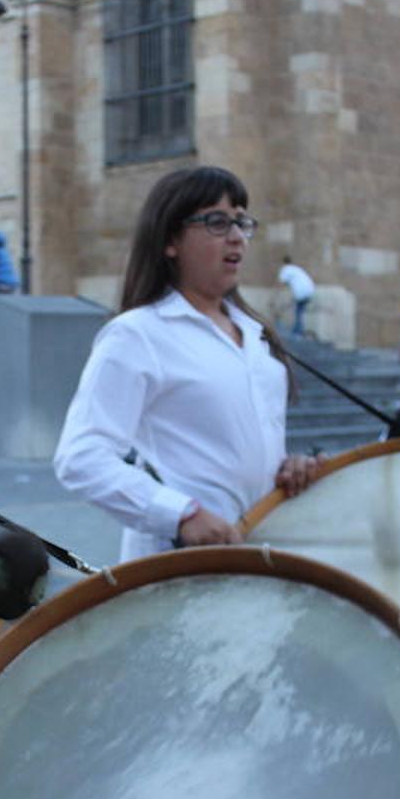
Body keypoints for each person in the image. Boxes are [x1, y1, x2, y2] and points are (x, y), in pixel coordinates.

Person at [53, 166, 319, 562]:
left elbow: (239, 446)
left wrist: (289, 468)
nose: (236, 237)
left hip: (262, 556)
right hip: (178, 565)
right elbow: (81, 457)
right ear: (170, 240)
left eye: (242, 222)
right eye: (217, 222)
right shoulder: (137, 334)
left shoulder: (255, 335)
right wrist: (180, 515)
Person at [277, 255, 315, 336]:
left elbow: (281, 283)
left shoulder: (286, 269)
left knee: (298, 311)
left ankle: (297, 332)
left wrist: (275, 297)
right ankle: (297, 330)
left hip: (301, 292)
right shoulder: (296, 268)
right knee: (299, 311)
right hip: (310, 290)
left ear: (283, 263)